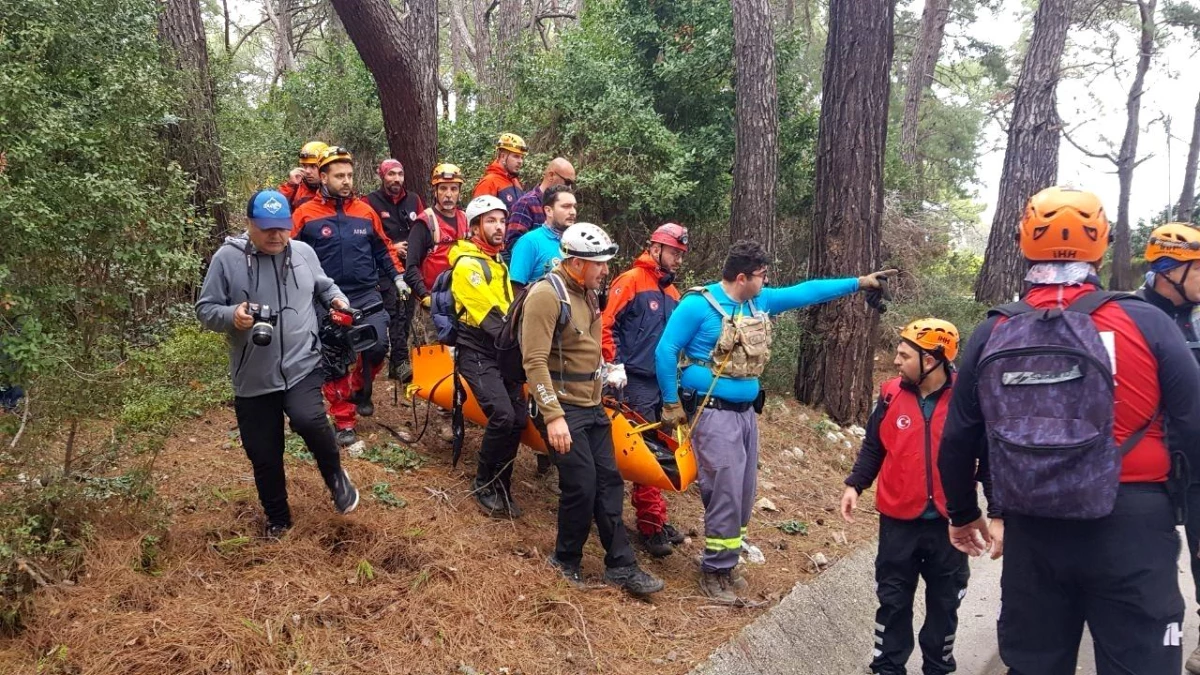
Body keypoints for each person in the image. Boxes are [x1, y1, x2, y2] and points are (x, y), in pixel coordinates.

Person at [938, 186, 1200, 675]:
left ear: (1024, 241)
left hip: (1034, 528)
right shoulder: (1146, 322)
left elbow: (958, 437)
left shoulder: (994, 330)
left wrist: (962, 512)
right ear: (1101, 243)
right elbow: (1194, 427)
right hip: (1134, 524)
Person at [655, 240, 896, 604]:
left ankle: (727, 562)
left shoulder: (759, 301)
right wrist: (671, 402)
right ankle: (713, 571)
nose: (766, 281)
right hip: (713, 411)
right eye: (761, 275)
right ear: (741, 277)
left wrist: (859, 282)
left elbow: (806, 292)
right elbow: (666, 350)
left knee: (743, 489)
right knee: (723, 489)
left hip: (746, 414)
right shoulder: (697, 305)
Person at [197, 190, 359, 537]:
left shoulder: (303, 252)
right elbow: (205, 309)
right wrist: (232, 316)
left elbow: (325, 286)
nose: (276, 236)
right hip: (253, 374)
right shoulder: (227, 259)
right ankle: (278, 519)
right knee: (264, 453)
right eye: (267, 228)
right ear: (249, 224)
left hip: (303, 362)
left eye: (282, 228)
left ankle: (336, 479)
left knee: (309, 419)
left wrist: (339, 301)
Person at [522, 222, 664, 596]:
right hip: (562, 410)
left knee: (609, 484)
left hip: (593, 405)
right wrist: (552, 416)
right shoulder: (546, 296)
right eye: (598, 263)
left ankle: (621, 565)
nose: (605, 270)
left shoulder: (589, 293)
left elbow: (589, 347)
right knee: (581, 486)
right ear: (575, 262)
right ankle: (564, 560)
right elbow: (534, 361)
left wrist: (609, 372)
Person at [842, 319, 971, 675]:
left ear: (931, 359)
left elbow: (986, 454)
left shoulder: (966, 397)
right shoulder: (889, 394)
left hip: (951, 523)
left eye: (904, 355)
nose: (896, 362)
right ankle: (887, 666)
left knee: (945, 602)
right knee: (893, 600)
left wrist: (996, 509)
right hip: (898, 521)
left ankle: (938, 664)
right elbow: (874, 445)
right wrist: (855, 484)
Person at [291, 147, 407, 447]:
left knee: (378, 346)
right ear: (324, 176)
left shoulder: (365, 212)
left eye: (350, 175)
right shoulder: (305, 214)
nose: (346, 181)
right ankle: (344, 420)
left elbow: (383, 248)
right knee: (334, 359)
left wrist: (397, 277)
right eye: (339, 175)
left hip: (366, 293)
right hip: (326, 298)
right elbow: (288, 254)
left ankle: (358, 387)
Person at [601, 223, 689, 557]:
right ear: (655, 249)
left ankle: (655, 519)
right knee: (645, 450)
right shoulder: (631, 281)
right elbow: (605, 324)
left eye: (681, 254)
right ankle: (651, 525)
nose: (678, 259)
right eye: (673, 253)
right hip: (632, 380)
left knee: (660, 448)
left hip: (660, 382)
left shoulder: (673, 293)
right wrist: (614, 364)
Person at [1137, 222, 1200, 674]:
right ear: (1170, 270)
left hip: (1197, 463)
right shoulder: (1132, 315)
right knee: (1145, 565)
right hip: (1150, 467)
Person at [450, 196, 527, 518]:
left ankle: (502, 484)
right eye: (491, 221)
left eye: (502, 221)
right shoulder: (468, 265)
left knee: (519, 419)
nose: (499, 227)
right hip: (477, 349)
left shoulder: (499, 262)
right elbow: (492, 319)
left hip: (502, 349)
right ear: (475, 226)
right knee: (503, 415)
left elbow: (509, 309)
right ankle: (483, 482)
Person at [366, 159, 425, 382]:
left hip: (410, 267)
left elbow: (422, 228)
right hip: (385, 269)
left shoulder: (413, 200)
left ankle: (399, 362)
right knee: (394, 314)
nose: (396, 179)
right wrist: (393, 247)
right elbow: (370, 236)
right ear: (382, 176)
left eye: (400, 174)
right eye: (391, 174)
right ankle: (397, 361)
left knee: (407, 314)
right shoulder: (371, 202)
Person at [405, 163, 470, 342]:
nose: (448, 194)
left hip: (461, 300)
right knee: (435, 357)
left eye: (453, 189)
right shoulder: (425, 223)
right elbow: (410, 267)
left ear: (459, 191)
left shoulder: (465, 220)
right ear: (435, 191)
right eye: (443, 189)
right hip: (433, 305)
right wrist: (425, 296)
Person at [509, 185, 577, 289]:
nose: (572, 212)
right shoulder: (529, 242)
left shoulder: (576, 243)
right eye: (566, 206)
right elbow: (515, 288)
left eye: (574, 206)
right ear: (548, 211)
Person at [505, 157, 576, 257]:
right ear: (551, 175)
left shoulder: (567, 208)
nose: (569, 188)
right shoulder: (526, 203)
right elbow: (514, 244)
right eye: (567, 182)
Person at [472, 132, 527, 208]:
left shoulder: (515, 181)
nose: (520, 161)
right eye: (516, 156)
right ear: (503, 156)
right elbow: (478, 217)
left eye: (522, 157)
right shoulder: (489, 183)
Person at [280, 141, 327, 209]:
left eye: (313, 166)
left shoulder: (335, 189)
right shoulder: (297, 188)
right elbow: (278, 206)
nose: (307, 171)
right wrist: (291, 185)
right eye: (304, 166)